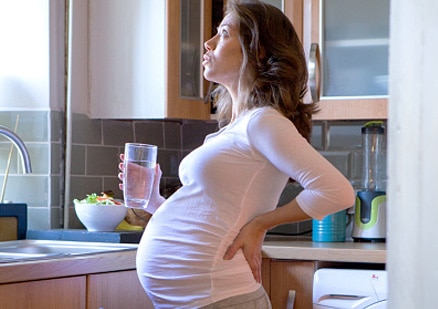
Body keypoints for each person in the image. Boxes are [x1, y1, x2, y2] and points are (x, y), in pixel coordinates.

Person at [119, 0, 355, 308]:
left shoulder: (263, 121)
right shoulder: (237, 127)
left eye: (224, 33)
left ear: (257, 50)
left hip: (224, 298)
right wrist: (154, 202)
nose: (209, 42)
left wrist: (260, 225)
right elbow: (216, 214)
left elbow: (337, 192)